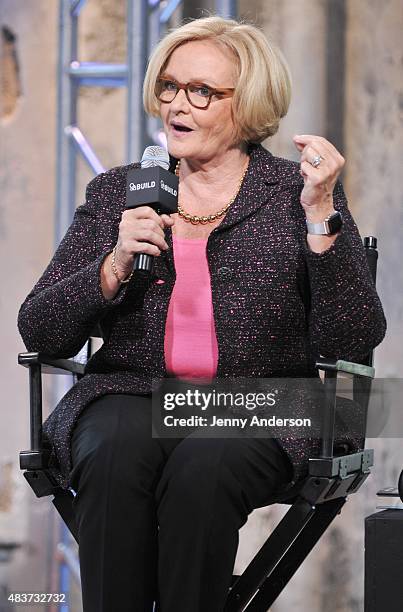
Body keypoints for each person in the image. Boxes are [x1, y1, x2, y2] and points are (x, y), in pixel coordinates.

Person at [18, 15, 386, 612]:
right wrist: (111, 264)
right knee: (112, 454)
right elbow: (39, 326)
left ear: (249, 105)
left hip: (266, 399)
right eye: (168, 86)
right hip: (134, 392)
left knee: (204, 465)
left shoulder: (298, 192)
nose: (176, 105)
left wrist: (322, 222)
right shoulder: (120, 192)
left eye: (201, 92)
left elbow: (353, 336)